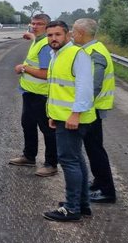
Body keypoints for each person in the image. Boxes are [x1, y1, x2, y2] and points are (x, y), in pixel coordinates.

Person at [42, 20, 96, 222]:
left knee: (69, 161)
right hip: (62, 117)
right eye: (50, 35)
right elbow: (59, 89)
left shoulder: (76, 54)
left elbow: (84, 88)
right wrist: (53, 116)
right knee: (77, 159)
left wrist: (75, 114)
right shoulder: (56, 54)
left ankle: (72, 208)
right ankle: (82, 205)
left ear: (68, 35)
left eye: (57, 34)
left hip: (73, 118)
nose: (53, 38)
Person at [72, 18, 117, 203]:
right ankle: (99, 183)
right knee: (93, 149)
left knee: (95, 149)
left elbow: (94, 85)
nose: (72, 35)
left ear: (81, 33)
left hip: (94, 109)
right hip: (94, 108)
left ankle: (107, 191)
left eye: (73, 31)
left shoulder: (94, 53)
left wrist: (80, 108)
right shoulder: (90, 49)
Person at [9, 13, 58, 177]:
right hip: (29, 93)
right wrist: (30, 36)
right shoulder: (38, 40)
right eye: (33, 23)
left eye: (39, 24)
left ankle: (51, 164)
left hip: (41, 95)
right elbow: (34, 38)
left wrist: (23, 68)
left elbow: (45, 73)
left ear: (47, 26)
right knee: (27, 125)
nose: (35, 26)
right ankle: (29, 156)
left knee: (47, 130)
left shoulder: (45, 45)